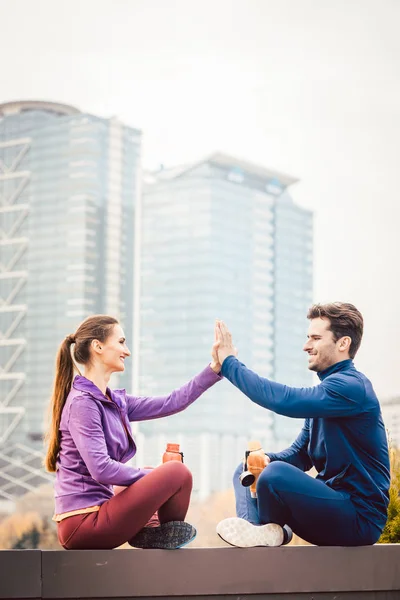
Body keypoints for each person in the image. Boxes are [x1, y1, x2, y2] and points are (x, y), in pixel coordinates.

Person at [214, 303, 390, 547]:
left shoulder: (351, 387)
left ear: (343, 343)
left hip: (359, 518)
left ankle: (270, 533)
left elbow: (284, 400)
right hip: (329, 511)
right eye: (308, 338)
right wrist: (262, 460)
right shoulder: (326, 397)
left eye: (316, 338)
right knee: (248, 467)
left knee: (274, 474)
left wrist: (230, 364)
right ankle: (262, 534)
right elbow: (299, 455)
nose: (306, 346)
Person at [45, 314, 222, 550]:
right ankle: (162, 537)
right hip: (83, 521)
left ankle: (153, 533)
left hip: (98, 510)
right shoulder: (82, 403)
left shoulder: (111, 400)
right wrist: (158, 479)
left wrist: (214, 369)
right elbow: (102, 469)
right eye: (120, 342)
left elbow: (171, 402)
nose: (126, 351)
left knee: (157, 472)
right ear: (97, 346)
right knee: (177, 473)